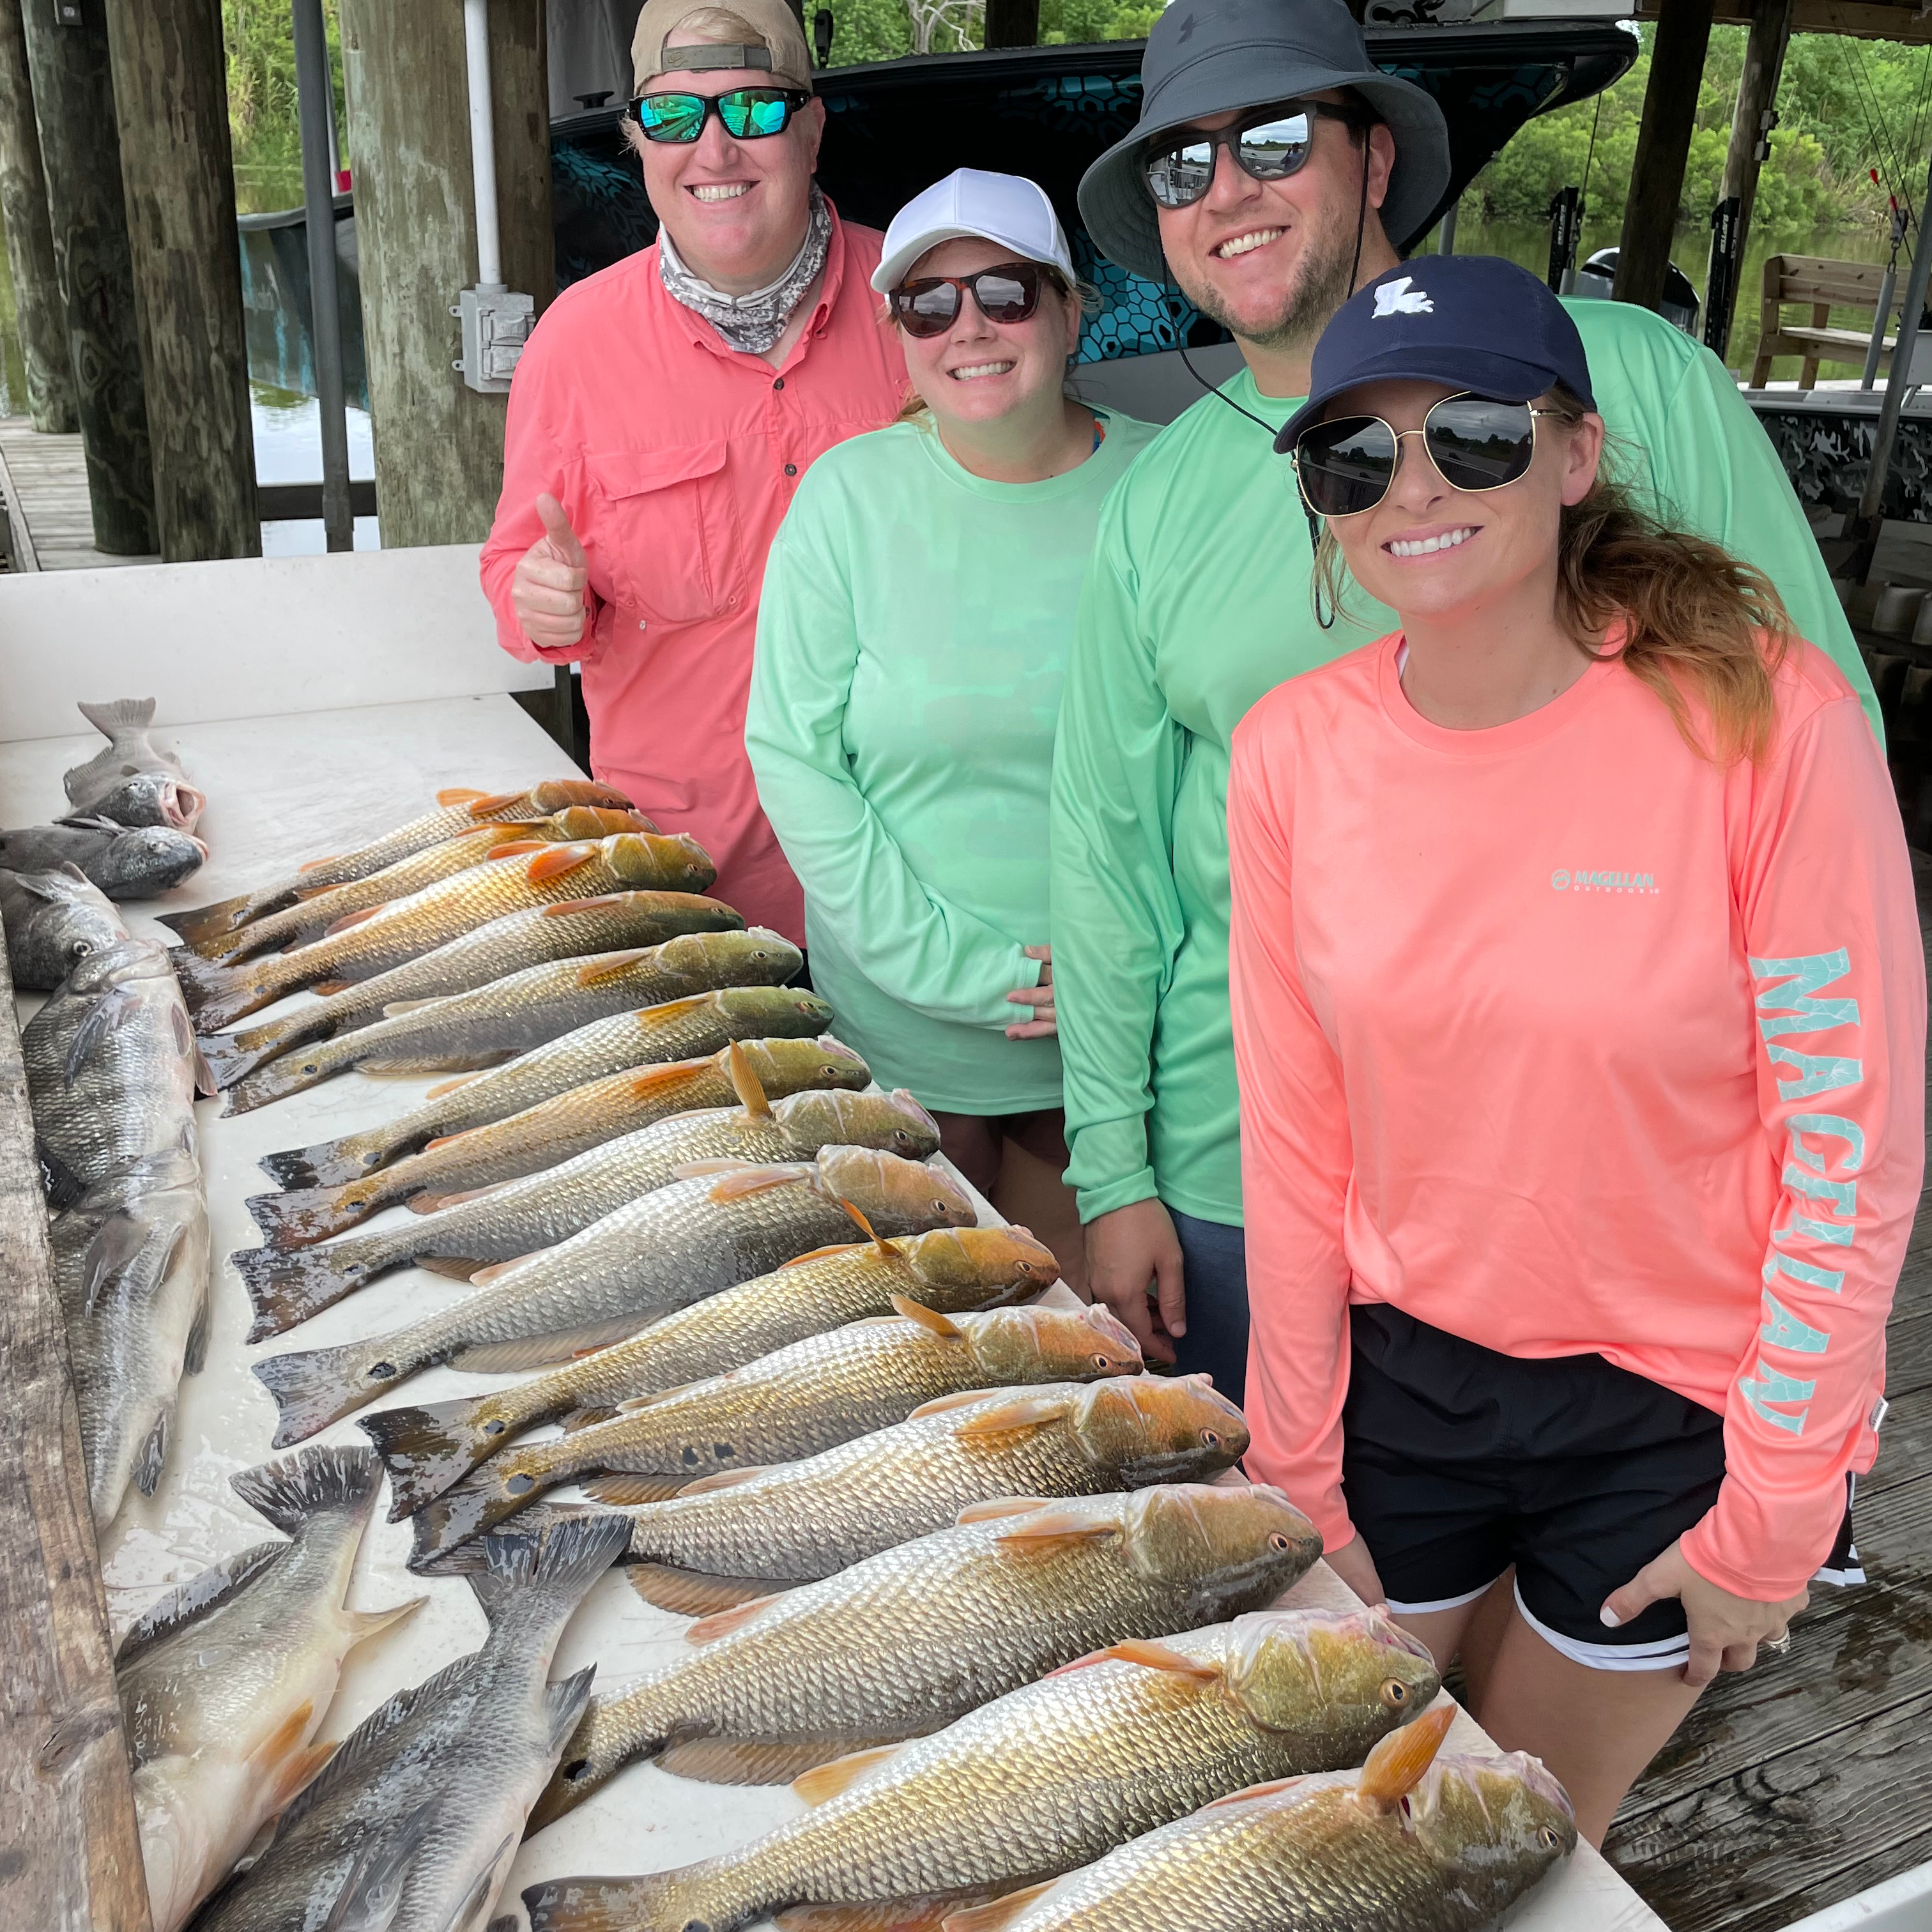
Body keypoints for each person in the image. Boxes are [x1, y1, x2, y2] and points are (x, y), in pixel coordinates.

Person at [1053, 0, 1886, 1407]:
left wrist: (1822, 1218)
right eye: (1180, 167)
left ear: (1375, 158)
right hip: (1253, 1171)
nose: (1228, 193)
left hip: (1630, 1189)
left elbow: (1826, 771)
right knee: (1316, 1606)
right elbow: (1110, 858)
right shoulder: (1156, 507)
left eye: (1269, 140)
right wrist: (1114, 1167)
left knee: (1626, 1608)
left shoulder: (1628, 376)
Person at [1227, 252, 1921, 1845]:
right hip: (1405, 1387)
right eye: (1357, 455)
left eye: (1472, 433)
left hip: (1675, 1409)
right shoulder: (1290, 756)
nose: (1415, 488)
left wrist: (1783, 1501)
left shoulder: (1767, 720)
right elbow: (1296, 1134)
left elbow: (1853, 1138)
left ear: (1574, 452)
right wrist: (1295, 1465)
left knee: (1520, 1842)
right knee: (1340, 1818)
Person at [747, 172, 1156, 1284]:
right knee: (923, 1357)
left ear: (1072, 310)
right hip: (897, 1029)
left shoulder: (1168, 485)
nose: (968, 325)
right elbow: (793, 754)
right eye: (929, 305)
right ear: (902, 338)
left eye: (1006, 293)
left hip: (1118, 1033)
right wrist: (959, 971)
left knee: (1095, 1369)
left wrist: (1122, 973)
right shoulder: (845, 496)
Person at [480, 0, 905, 941]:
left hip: (914, 897)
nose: (715, 150)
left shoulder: (921, 310)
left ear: (812, 129)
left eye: (752, 110)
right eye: (675, 116)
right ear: (638, 140)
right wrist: (540, 599)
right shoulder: (572, 345)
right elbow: (513, 570)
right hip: (689, 909)